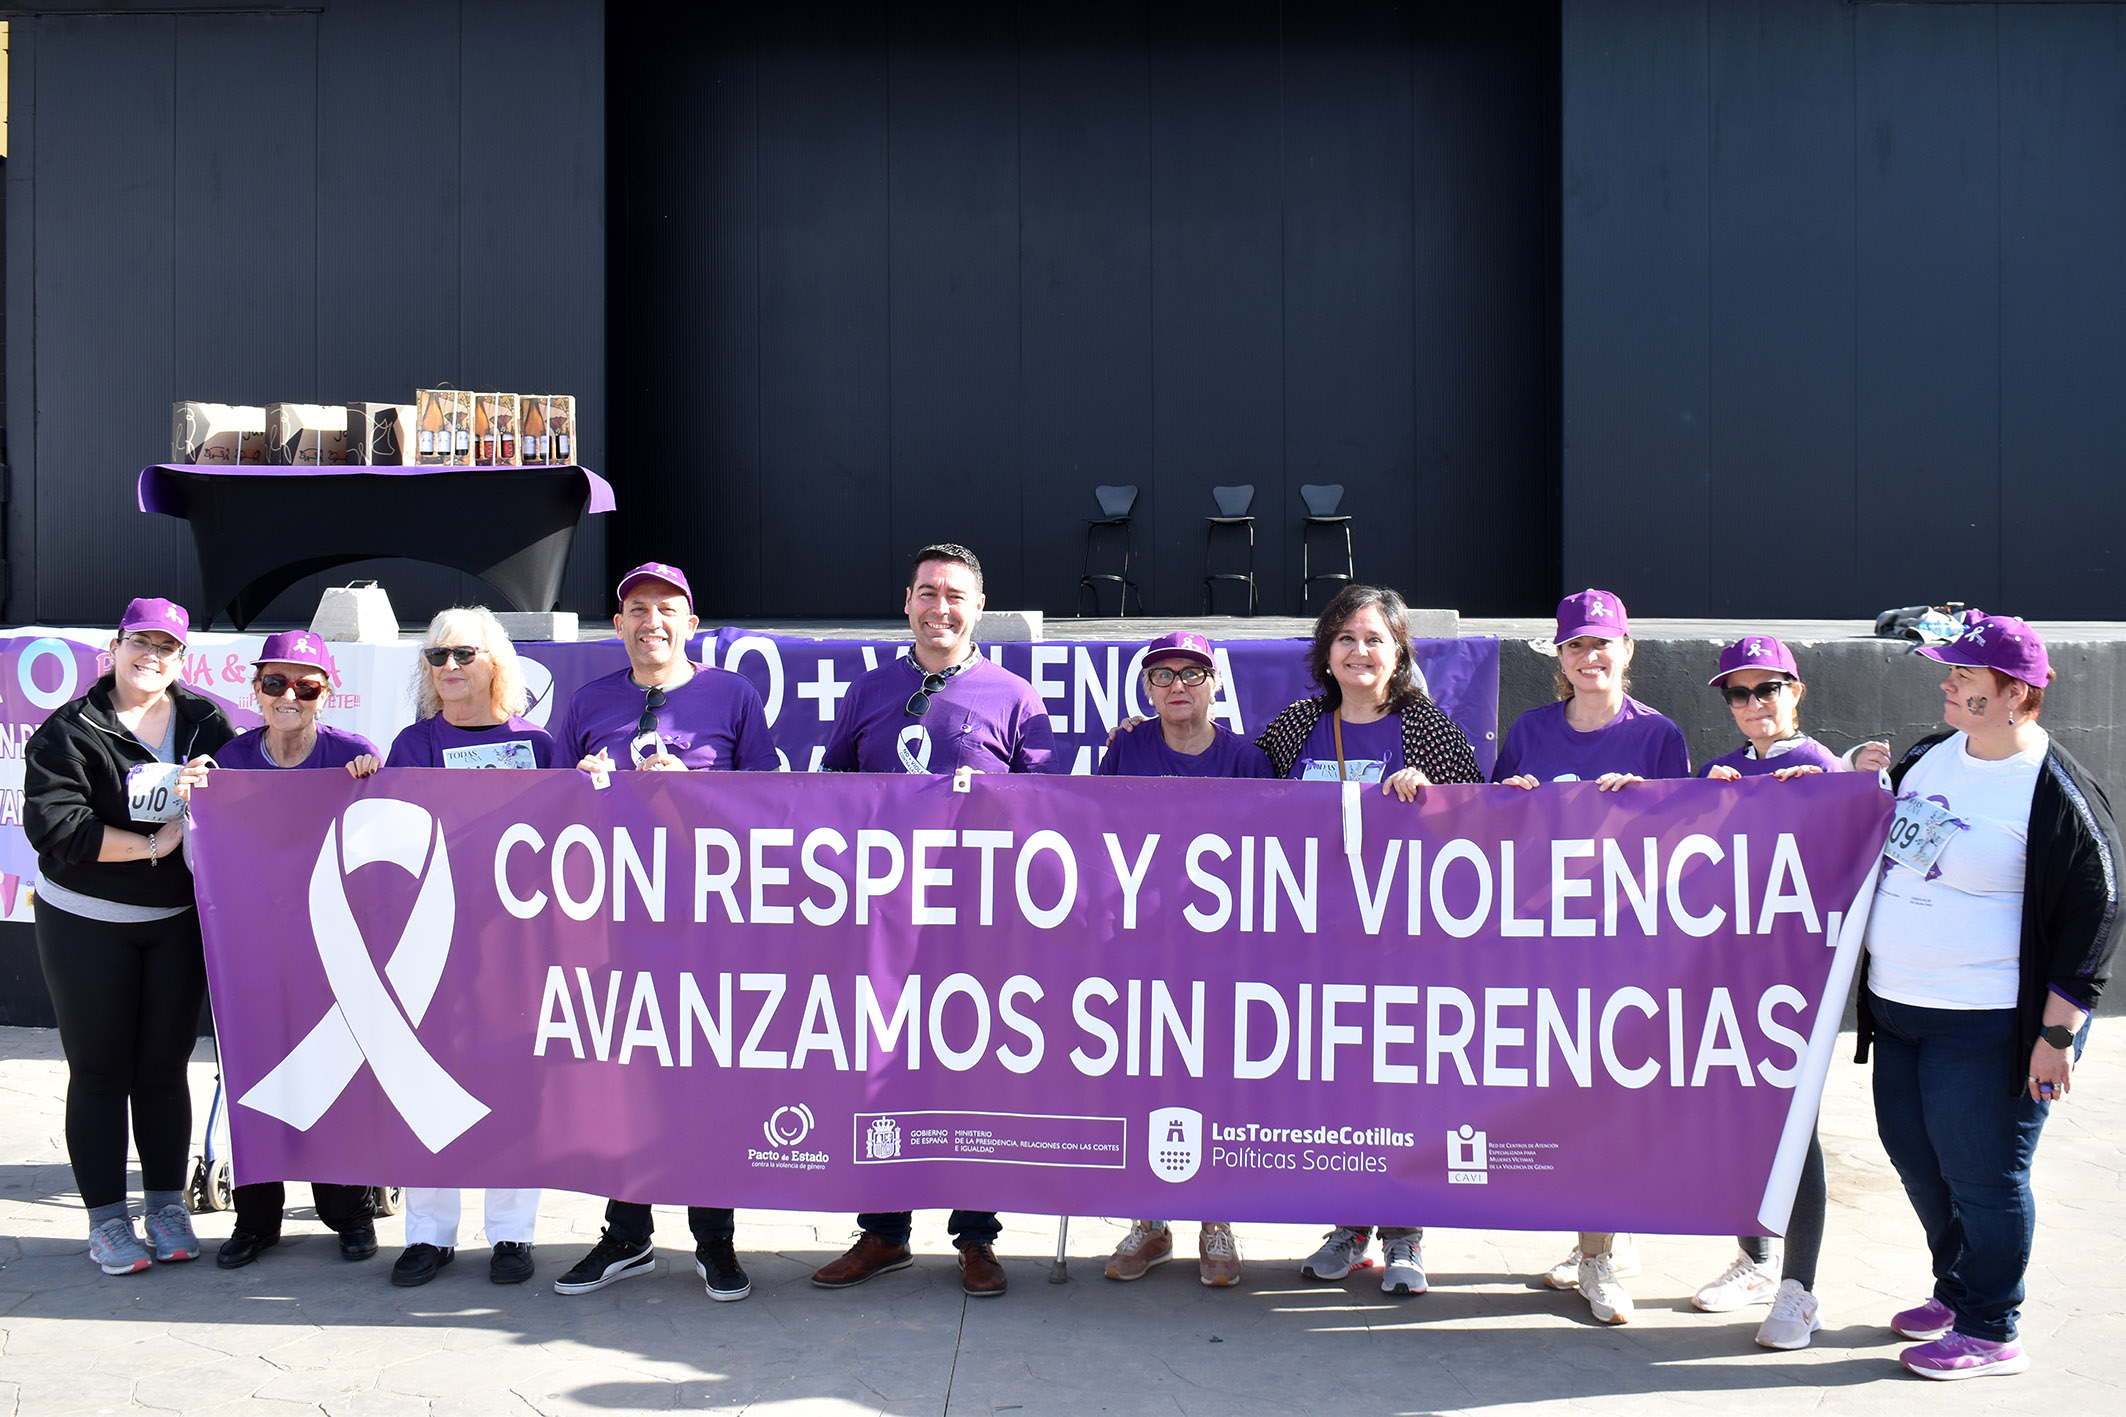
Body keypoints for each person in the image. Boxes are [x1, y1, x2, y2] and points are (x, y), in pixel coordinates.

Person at [1859, 615, 2119, 1379]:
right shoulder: (1933, 754)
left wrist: (2058, 1034)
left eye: (1963, 677)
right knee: (1915, 1156)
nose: (1946, 684)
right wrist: (1862, 767)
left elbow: (2098, 910)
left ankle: (1991, 1325)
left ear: (2014, 694)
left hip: (1988, 1025)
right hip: (1900, 1008)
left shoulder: (2053, 791)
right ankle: (1958, 1287)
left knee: (1984, 1173)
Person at [809, 543, 1055, 1299]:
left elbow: (1045, 812)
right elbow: (832, 792)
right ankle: (883, 1231)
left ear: (979, 607)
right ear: (906, 601)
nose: (939, 606)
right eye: (926, 592)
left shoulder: (1015, 696)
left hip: (975, 923)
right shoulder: (869, 690)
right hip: (886, 921)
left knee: (971, 1069)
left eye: (954, 594)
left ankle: (976, 1237)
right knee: (883, 1069)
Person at [549, 562, 775, 1303]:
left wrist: (697, 786)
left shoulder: (732, 695)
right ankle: (628, 1232)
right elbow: (549, 814)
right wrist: (579, 788)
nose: (651, 620)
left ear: (690, 622)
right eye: (637, 608)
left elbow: (774, 807)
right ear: (618, 625)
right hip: (614, 926)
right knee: (623, 1079)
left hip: (707, 925)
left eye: (666, 608)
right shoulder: (588, 702)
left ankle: (714, 1239)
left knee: (704, 1080)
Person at [1255, 585, 1483, 1298]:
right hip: (1315, 949)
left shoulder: (1427, 730)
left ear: (1398, 653)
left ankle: (1406, 1233)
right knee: (1339, 1092)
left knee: (1402, 1089)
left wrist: (1436, 800)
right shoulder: (1298, 725)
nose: (1359, 650)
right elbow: (1237, 797)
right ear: (1327, 651)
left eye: (1375, 639)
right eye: (1346, 637)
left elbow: (1482, 821)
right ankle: (1350, 1227)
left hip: (1403, 951)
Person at [1690, 635, 1892, 1349]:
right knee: (1740, 1119)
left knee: (1792, 1126)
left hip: (1796, 980)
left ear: (1796, 691)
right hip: (1728, 976)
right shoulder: (1723, 770)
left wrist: (1863, 786)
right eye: (1738, 694)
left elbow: (1855, 855)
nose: (1753, 705)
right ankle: (1754, 1258)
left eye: (1766, 689)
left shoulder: (1822, 768)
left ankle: (1799, 1288)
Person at [1494, 588, 1690, 1324]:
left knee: (1606, 1097)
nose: (1590, 657)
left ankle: (1600, 1252)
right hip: (1544, 947)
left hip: (1622, 950)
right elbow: (1495, 840)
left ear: (1627, 650)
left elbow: (1691, 846)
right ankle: (1593, 1236)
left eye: (1602, 643)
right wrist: (1509, 800)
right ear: (1560, 657)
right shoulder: (1530, 730)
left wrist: (1649, 808)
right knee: (1565, 1101)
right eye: (1576, 645)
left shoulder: (1658, 735)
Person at [23, 598, 233, 1274]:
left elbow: (247, 797)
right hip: (87, 923)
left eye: (167, 648)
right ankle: (107, 1220)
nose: (152, 657)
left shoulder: (204, 720)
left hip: (174, 926)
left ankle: (166, 1204)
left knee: (165, 1068)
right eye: (140, 642)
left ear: (182, 660)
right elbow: (58, 830)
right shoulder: (68, 731)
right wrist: (157, 842)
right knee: (101, 1070)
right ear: (112, 648)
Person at [201, 631, 385, 1269]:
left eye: (305, 686)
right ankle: (257, 1220)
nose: (289, 697)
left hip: (332, 943)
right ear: (255, 690)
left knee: (333, 1077)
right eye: (275, 684)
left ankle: (348, 1212)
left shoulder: (352, 754)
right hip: (254, 944)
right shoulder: (232, 759)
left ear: (325, 695)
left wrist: (370, 780)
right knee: (255, 1074)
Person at [383, 606, 555, 1287]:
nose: (448, 667)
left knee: (513, 1081)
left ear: (495, 661)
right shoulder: (409, 743)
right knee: (426, 1083)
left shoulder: (540, 744)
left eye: (462, 654)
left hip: (514, 944)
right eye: (435, 656)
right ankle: (431, 1233)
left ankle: (512, 1232)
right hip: (429, 941)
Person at [1097, 631, 1273, 1288]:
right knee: (1146, 1082)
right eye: (1163, 674)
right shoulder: (1128, 748)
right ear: (1148, 688)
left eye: (1192, 673)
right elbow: (1095, 833)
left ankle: (1216, 1217)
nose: (1177, 684)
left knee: (1216, 1084)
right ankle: (1150, 1220)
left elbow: (1270, 854)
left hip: (1221, 953)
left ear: (1213, 684)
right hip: (1144, 947)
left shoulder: (1245, 759)